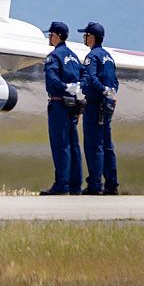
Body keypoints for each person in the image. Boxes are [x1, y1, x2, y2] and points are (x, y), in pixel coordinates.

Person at [40, 20, 84, 195]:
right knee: (74, 144)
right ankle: (75, 185)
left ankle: (61, 185)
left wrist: (65, 86)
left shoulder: (54, 56)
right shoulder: (74, 56)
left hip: (59, 103)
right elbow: (85, 75)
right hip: (73, 103)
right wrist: (78, 86)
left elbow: (51, 80)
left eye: (50, 34)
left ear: (57, 36)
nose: (49, 37)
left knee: (61, 144)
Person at [79, 22, 120, 195]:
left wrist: (101, 90)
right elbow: (115, 81)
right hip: (108, 105)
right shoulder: (109, 57)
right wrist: (110, 93)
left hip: (95, 105)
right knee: (107, 145)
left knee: (94, 145)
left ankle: (95, 185)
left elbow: (91, 77)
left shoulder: (92, 57)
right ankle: (112, 184)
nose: (84, 38)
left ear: (92, 38)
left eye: (86, 35)